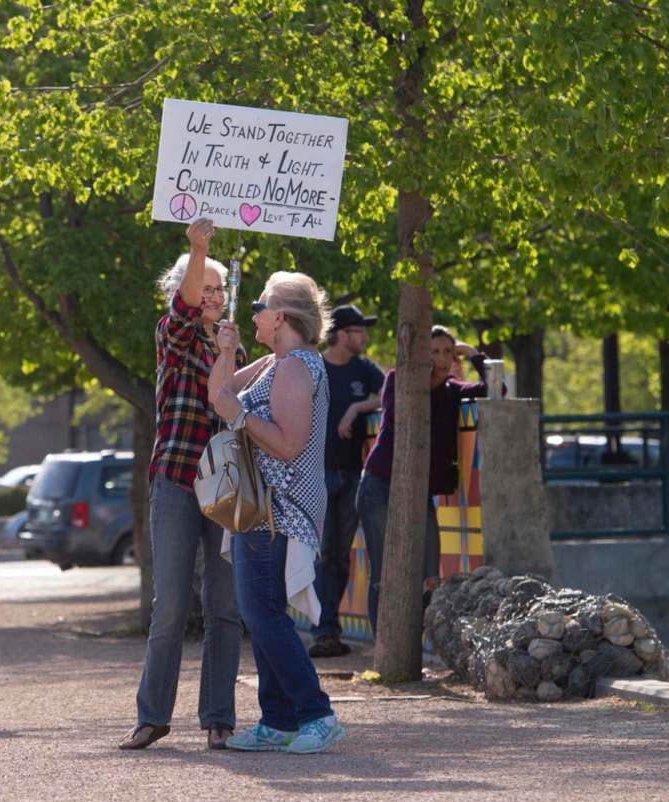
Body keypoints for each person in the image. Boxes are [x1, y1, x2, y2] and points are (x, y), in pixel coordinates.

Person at [119, 218, 244, 752]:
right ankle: (153, 717)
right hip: (176, 478)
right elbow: (185, 308)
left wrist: (232, 355)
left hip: (227, 489)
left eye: (221, 289)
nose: (212, 296)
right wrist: (199, 248)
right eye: (205, 288)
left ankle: (218, 718)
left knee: (224, 607)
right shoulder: (173, 332)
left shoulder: (234, 346)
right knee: (170, 604)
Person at [209, 272, 344, 754]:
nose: (253, 315)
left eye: (260, 307)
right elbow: (217, 394)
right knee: (261, 610)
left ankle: (315, 712)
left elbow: (288, 444)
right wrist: (226, 351)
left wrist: (241, 417)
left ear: (282, 316)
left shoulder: (294, 368)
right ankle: (278, 719)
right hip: (258, 505)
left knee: (262, 612)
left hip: (277, 507)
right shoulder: (276, 362)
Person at [359, 326, 491, 633]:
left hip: (420, 492)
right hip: (380, 484)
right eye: (434, 351)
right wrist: (431, 379)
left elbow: (496, 390)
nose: (442, 359)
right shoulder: (397, 380)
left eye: (448, 352)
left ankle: (416, 647)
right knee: (384, 572)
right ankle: (385, 651)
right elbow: (396, 419)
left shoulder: (454, 391)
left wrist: (472, 353)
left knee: (431, 573)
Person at [310, 304, 384, 658]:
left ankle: (331, 630)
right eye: (359, 331)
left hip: (352, 474)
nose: (364, 338)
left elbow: (392, 393)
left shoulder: (363, 369)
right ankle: (323, 632)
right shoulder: (315, 367)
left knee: (340, 556)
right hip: (317, 475)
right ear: (339, 333)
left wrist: (357, 408)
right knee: (323, 555)